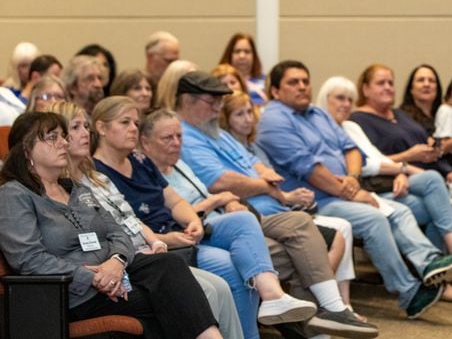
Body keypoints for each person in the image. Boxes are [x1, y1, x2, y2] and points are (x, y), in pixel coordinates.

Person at [90, 97, 319, 339]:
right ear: (101, 128)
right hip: (157, 247)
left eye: (136, 123)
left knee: (242, 219)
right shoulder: (97, 174)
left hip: (183, 232)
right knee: (232, 266)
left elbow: (174, 201)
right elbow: (123, 226)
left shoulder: (140, 160)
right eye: (125, 122)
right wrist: (166, 238)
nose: (133, 129)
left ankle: (273, 295)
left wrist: (193, 220)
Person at [258, 60, 452, 319]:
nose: (302, 86)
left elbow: (351, 149)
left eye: (305, 80)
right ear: (276, 91)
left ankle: (428, 266)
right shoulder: (274, 119)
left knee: (400, 210)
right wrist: (350, 191)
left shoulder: (318, 114)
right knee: (374, 218)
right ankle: (408, 291)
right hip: (315, 200)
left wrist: (352, 177)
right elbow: (308, 168)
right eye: (293, 82)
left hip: (346, 188)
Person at [173, 72, 378, 338]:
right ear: (188, 100)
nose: (217, 108)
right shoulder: (185, 135)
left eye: (220, 102)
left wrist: (267, 183)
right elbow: (220, 180)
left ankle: (330, 311)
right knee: (302, 246)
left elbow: (254, 164)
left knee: (304, 227)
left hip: (259, 211)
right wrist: (272, 190)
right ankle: (322, 320)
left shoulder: (216, 132)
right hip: (230, 216)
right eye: (212, 101)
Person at [0, 112, 223, 339]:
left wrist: (116, 262)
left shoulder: (76, 189)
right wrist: (94, 278)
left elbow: (118, 232)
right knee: (171, 301)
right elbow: (28, 258)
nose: (64, 143)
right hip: (73, 291)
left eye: (63, 136)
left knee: (168, 263)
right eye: (52, 137)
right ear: (26, 151)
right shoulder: (14, 194)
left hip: (115, 274)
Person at [49, 101, 244, 339]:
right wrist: (145, 248)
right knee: (207, 291)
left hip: (142, 253)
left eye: (85, 126)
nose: (84, 133)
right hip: (117, 263)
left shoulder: (98, 178)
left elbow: (129, 219)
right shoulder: (60, 187)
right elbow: (94, 239)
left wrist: (154, 242)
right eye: (76, 127)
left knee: (219, 286)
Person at [316, 76, 452, 304]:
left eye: (349, 100)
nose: (345, 104)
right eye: (339, 98)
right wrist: (404, 166)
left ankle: (439, 267)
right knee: (401, 209)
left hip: (382, 182)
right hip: (363, 189)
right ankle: (431, 270)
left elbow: (375, 157)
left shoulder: (350, 126)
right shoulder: (329, 127)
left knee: (430, 190)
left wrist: (402, 170)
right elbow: (365, 164)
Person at [219, 91, 365, 318]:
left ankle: (337, 304)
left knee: (340, 229)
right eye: (239, 114)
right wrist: (280, 194)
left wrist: (290, 196)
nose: (247, 118)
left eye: (250, 112)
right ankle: (324, 306)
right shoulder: (226, 146)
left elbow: (271, 180)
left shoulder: (253, 148)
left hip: (281, 209)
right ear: (226, 118)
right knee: (332, 231)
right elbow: (250, 184)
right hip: (261, 213)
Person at [349, 64, 452, 190]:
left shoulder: (399, 114)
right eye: (381, 83)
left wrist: (434, 148)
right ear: (365, 89)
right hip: (404, 179)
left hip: (436, 172)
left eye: (390, 83)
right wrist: (409, 156)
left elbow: (427, 142)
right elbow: (369, 161)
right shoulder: (358, 119)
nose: (388, 87)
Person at [218, 33, 268, 106]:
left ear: (254, 55)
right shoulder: (218, 80)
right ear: (229, 55)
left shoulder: (266, 82)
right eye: (237, 51)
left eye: (247, 51)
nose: (242, 56)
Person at [399, 64, 444, 136]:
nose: (426, 84)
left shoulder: (445, 114)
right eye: (421, 80)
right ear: (411, 89)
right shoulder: (402, 117)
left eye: (431, 81)